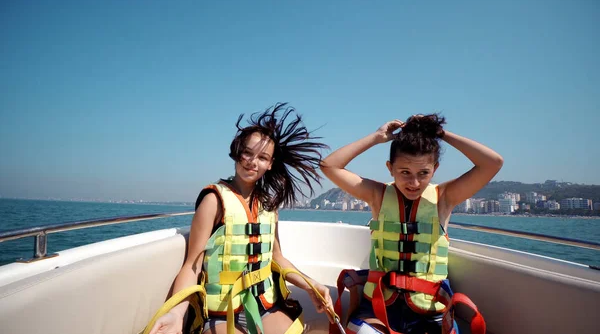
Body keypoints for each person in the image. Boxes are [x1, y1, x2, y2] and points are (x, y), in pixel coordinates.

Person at [147, 103, 334, 334]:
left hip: (265, 307)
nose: (252, 162)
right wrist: (176, 313)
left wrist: (312, 286)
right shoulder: (214, 201)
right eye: (247, 153)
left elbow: (277, 258)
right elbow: (192, 266)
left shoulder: (270, 206)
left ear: (270, 164)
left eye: (262, 157)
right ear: (237, 152)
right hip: (223, 313)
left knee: (325, 327)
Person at [320, 114, 502, 334]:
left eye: (423, 173)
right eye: (405, 172)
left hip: (429, 314)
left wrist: (440, 133)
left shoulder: (445, 197)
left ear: (434, 169)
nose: (414, 183)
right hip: (379, 308)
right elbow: (329, 165)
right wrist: (376, 137)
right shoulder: (377, 195)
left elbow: (492, 163)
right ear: (390, 168)